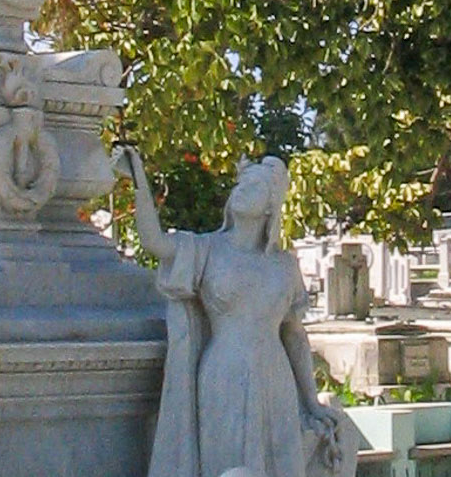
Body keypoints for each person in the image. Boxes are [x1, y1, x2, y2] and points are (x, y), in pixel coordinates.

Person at [111, 146, 356, 477]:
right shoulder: (206, 250)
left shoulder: (284, 266)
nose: (241, 192)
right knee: (225, 465)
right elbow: (154, 242)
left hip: (275, 376)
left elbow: (294, 334)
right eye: (240, 185)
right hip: (222, 374)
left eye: (253, 187)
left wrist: (310, 401)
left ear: (271, 205)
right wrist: (139, 179)